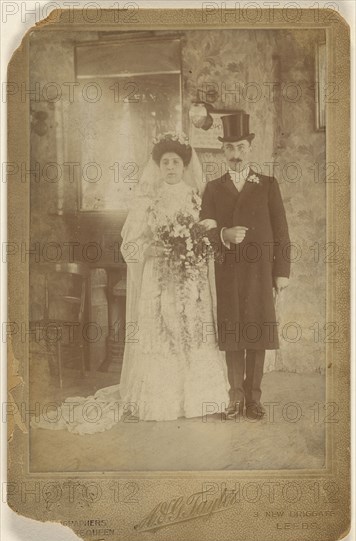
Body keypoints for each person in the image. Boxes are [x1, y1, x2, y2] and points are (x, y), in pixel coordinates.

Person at [31, 133, 229, 434]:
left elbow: (206, 236)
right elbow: (130, 245)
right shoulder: (148, 198)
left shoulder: (195, 196)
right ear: (159, 166)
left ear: (184, 165)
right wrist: (151, 250)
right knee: (160, 330)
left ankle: (199, 398)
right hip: (158, 275)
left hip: (189, 277)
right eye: (166, 162)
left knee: (191, 329)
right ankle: (160, 400)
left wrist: (194, 248)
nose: (171, 167)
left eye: (176, 162)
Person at [200, 111, 291, 421]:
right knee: (233, 333)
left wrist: (281, 272)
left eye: (240, 147)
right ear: (223, 151)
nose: (235, 154)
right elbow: (205, 231)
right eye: (229, 148)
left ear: (249, 147)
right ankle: (234, 398)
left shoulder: (267, 184)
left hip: (259, 272)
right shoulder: (213, 188)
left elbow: (281, 231)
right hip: (227, 271)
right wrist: (223, 234)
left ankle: (254, 398)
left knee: (256, 331)